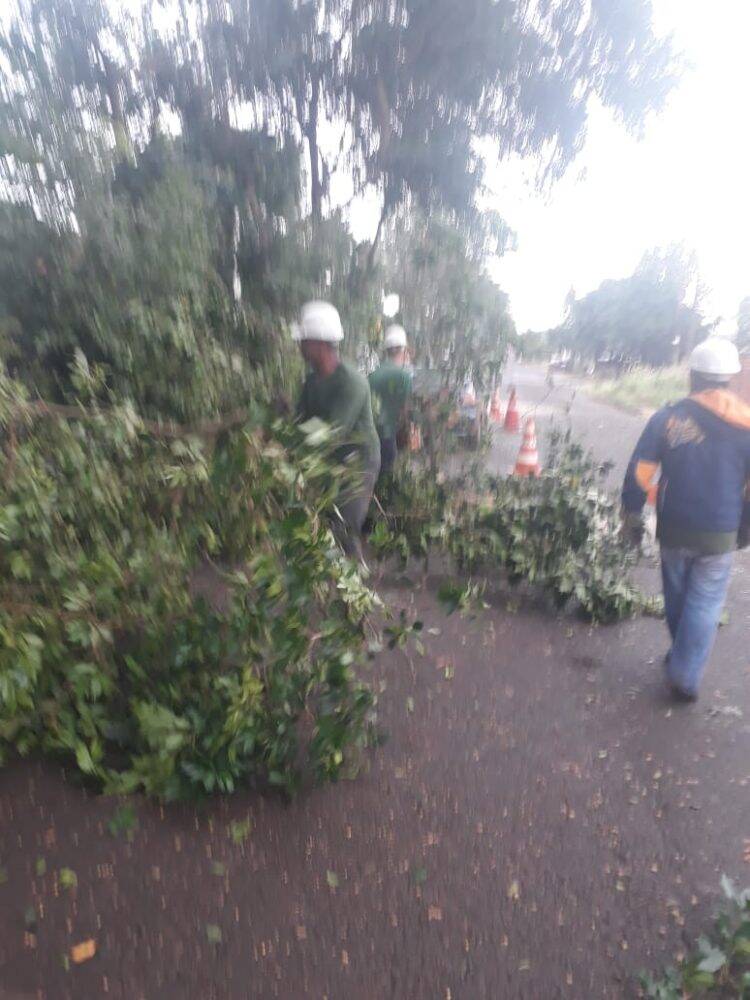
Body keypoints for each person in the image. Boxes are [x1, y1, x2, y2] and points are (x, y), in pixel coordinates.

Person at [622, 337, 750, 702]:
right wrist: (745, 527)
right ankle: (685, 671)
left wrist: (632, 512)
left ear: (693, 375)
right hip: (721, 533)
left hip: (674, 529)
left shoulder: (667, 419)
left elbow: (640, 471)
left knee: (678, 597)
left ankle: (682, 667)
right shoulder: (747, 425)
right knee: (706, 603)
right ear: (729, 379)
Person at [294, 301, 380, 562]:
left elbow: (331, 433)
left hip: (358, 465)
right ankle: (329, 588)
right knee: (322, 524)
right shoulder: (311, 382)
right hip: (330, 461)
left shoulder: (352, 383)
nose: (299, 346)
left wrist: (295, 439)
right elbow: (300, 424)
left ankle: (357, 596)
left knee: (344, 528)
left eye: (304, 341)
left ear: (320, 344)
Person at [368, 324, 413, 476]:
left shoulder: (372, 376)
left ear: (387, 351)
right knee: (387, 479)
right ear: (404, 350)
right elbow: (404, 411)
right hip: (388, 438)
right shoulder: (404, 376)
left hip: (370, 437)